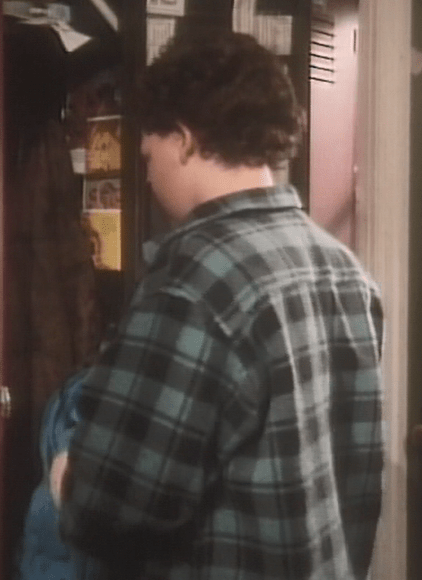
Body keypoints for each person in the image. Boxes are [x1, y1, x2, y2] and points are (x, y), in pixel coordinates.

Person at [59, 31, 385, 580]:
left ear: (184, 140)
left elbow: (110, 506)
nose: (147, 175)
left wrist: (65, 476)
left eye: (148, 155)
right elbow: (359, 487)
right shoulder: (345, 270)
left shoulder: (191, 283)